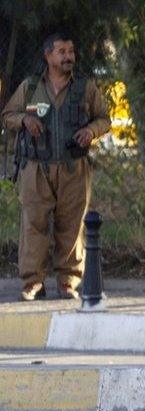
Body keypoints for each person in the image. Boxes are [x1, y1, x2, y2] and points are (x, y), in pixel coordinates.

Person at [1, 33, 110, 301]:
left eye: (71, 51)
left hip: (74, 167)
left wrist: (91, 131)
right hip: (35, 167)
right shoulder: (30, 87)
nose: (68, 56)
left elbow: (104, 118)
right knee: (33, 225)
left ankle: (67, 282)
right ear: (48, 56)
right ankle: (32, 282)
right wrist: (25, 120)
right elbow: (7, 116)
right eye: (61, 51)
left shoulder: (85, 87)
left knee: (72, 226)